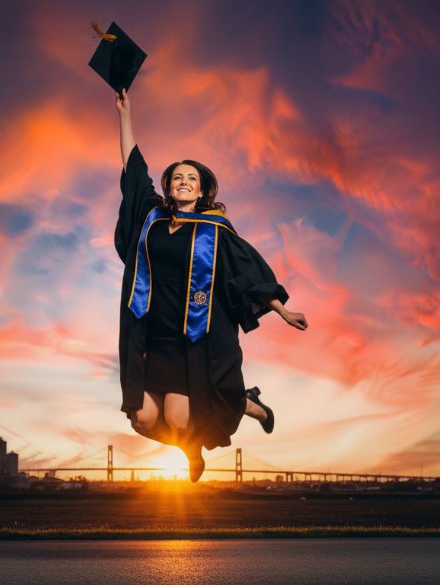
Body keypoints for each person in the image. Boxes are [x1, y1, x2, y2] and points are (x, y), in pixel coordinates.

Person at [113, 88, 308, 482]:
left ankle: (248, 404)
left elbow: (247, 271)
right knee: (143, 418)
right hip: (151, 336)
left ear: (202, 190)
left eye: (192, 179)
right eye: (178, 178)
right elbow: (133, 170)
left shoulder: (216, 231)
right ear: (169, 187)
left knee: (182, 418)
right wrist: (125, 114)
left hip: (194, 340)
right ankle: (190, 448)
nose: (184, 182)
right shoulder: (151, 216)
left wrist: (282, 310)